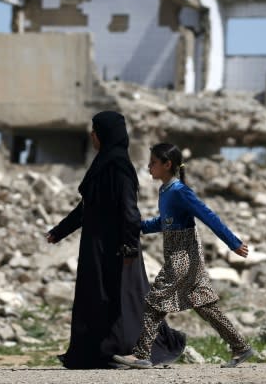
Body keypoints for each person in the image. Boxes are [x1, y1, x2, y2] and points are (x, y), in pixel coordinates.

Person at [45, 112, 186, 369]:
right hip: (96, 246)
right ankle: (99, 352)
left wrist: (130, 244)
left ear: (105, 134)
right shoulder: (101, 165)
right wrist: (60, 231)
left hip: (119, 246)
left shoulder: (119, 167)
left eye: (95, 130)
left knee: (125, 299)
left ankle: (131, 351)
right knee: (97, 297)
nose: (92, 135)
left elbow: (129, 209)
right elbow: (86, 207)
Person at [113, 142, 255, 369]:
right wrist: (138, 226)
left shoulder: (180, 191)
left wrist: (233, 243)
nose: (149, 167)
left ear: (167, 164)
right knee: (203, 303)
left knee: (155, 300)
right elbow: (165, 222)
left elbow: (208, 216)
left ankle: (141, 354)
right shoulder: (165, 191)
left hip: (183, 254)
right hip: (180, 252)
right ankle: (240, 346)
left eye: (153, 163)